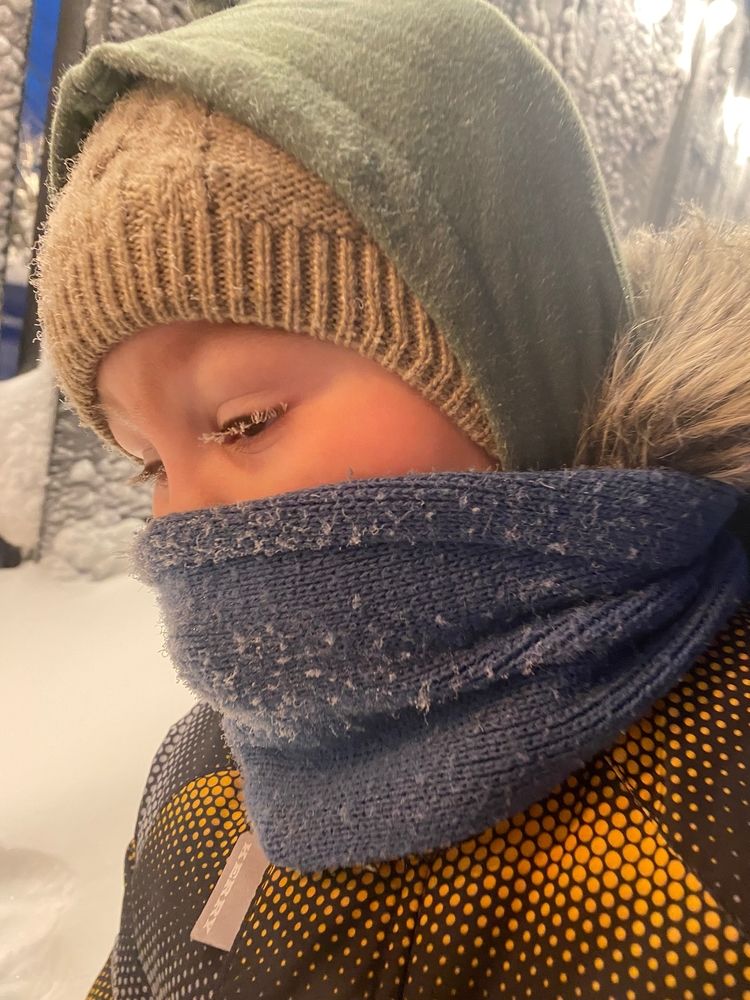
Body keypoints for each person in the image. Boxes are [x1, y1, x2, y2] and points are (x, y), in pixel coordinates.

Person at [33, 0, 750, 997]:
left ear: (508, 366)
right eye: (147, 463)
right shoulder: (212, 765)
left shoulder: (712, 821)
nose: (181, 519)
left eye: (244, 421)